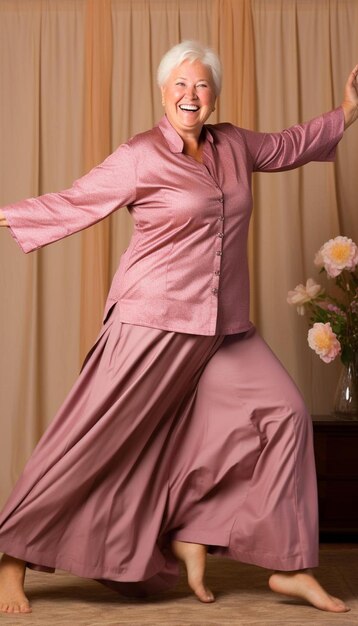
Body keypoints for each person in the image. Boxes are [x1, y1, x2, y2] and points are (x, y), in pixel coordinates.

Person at [0, 40, 357, 616]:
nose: (191, 96)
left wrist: (347, 111)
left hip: (224, 327)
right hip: (151, 322)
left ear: (214, 94)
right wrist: (6, 214)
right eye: (180, 86)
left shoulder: (235, 144)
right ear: (163, 92)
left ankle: (289, 566)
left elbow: (291, 145)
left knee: (286, 413)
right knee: (88, 442)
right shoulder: (141, 155)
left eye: (202, 85)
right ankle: (11, 556)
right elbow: (76, 200)